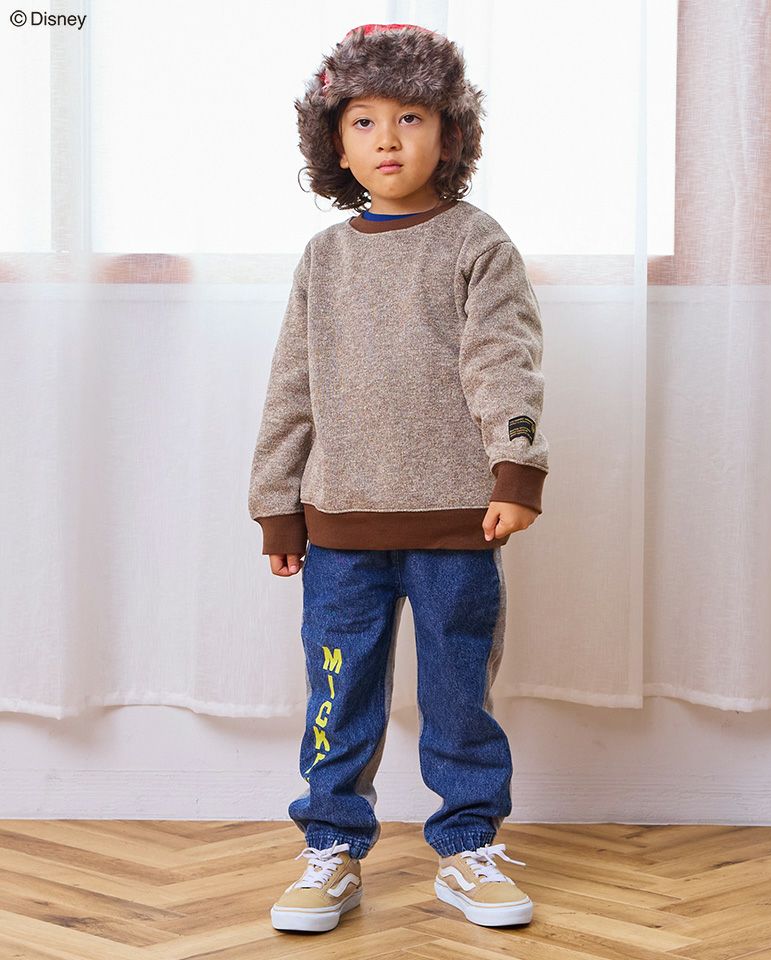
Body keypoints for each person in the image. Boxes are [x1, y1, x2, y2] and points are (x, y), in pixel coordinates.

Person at [249, 23, 548, 933]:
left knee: (460, 698)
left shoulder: (478, 243)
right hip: (339, 529)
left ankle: (467, 848)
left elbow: (504, 361)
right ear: (334, 144)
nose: (387, 139)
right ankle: (331, 848)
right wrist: (276, 505)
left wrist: (516, 467)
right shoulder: (324, 259)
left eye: (411, 117)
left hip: (460, 525)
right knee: (339, 694)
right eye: (364, 121)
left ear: (449, 134)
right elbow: (292, 386)